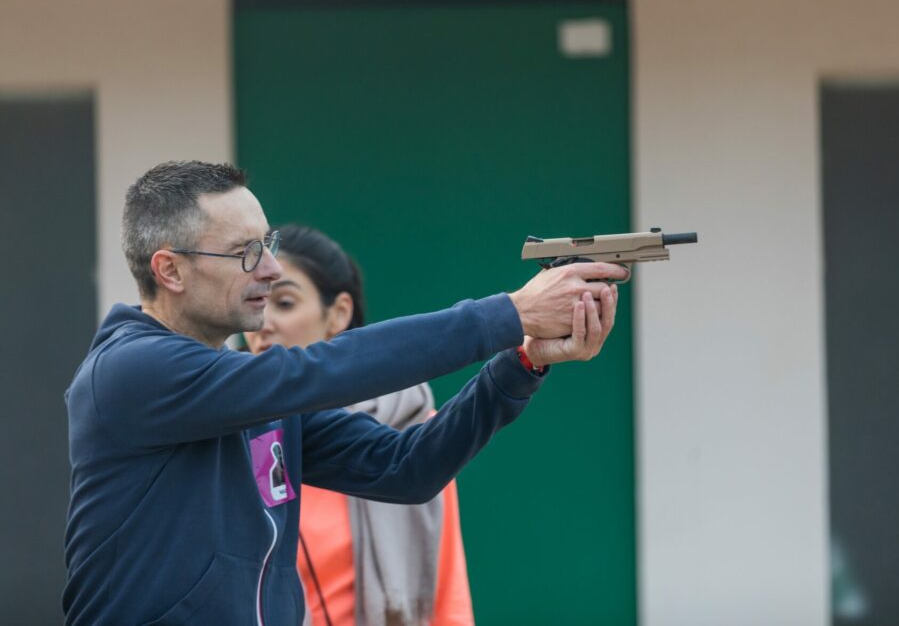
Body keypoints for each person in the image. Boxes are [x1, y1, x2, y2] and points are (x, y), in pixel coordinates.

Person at [63, 161, 623, 625]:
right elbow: (317, 371)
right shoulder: (132, 369)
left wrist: (521, 359)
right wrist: (509, 311)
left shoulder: (243, 389)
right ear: (170, 271)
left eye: (268, 244)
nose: (271, 269)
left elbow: (406, 467)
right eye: (245, 252)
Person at [244, 224, 475, 626]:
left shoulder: (410, 428)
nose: (263, 324)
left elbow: (447, 592)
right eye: (256, 302)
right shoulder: (239, 429)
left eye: (283, 303)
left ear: (339, 314)